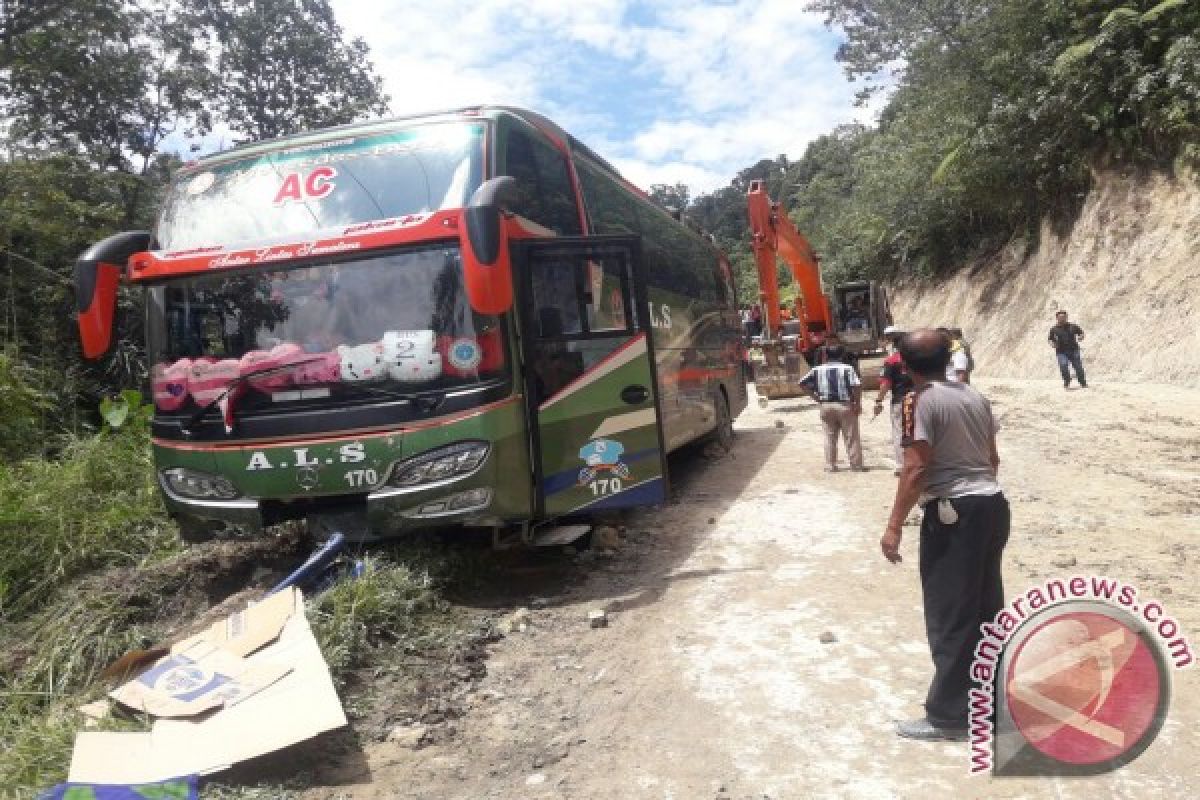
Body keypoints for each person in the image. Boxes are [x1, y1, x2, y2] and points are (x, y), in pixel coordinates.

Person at [881, 329, 1009, 741]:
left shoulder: (918, 401)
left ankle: (950, 718)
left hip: (954, 513)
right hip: (992, 504)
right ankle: (986, 706)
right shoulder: (974, 395)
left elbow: (916, 468)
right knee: (986, 610)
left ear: (903, 364)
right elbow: (992, 458)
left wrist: (894, 525)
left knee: (950, 615)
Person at [798, 345, 865, 472]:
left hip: (826, 405)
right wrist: (857, 403)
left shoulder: (817, 369)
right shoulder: (848, 368)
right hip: (845, 405)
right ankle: (856, 466)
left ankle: (830, 465)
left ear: (826, 356)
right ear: (841, 356)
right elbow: (856, 385)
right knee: (851, 436)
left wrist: (815, 398)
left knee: (829, 436)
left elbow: (802, 383)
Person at [873, 325, 913, 476]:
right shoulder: (917, 359)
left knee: (899, 432)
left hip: (900, 401)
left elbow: (886, 384)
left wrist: (878, 401)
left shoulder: (891, 361)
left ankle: (902, 466)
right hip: (920, 399)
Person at [1048, 310, 1087, 388]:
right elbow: (1050, 339)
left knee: (1078, 367)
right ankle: (1067, 380)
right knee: (1063, 365)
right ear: (1057, 318)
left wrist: (1081, 337)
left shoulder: (1073, 326)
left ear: (1066, 317)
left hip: (1074, 350)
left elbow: (1081, 333)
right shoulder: (1054, 329)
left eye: (1064, 317)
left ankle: (1082, 382)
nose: (1062, 319)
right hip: (1061, 351)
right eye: (1060, 317)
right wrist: (1052, 344)